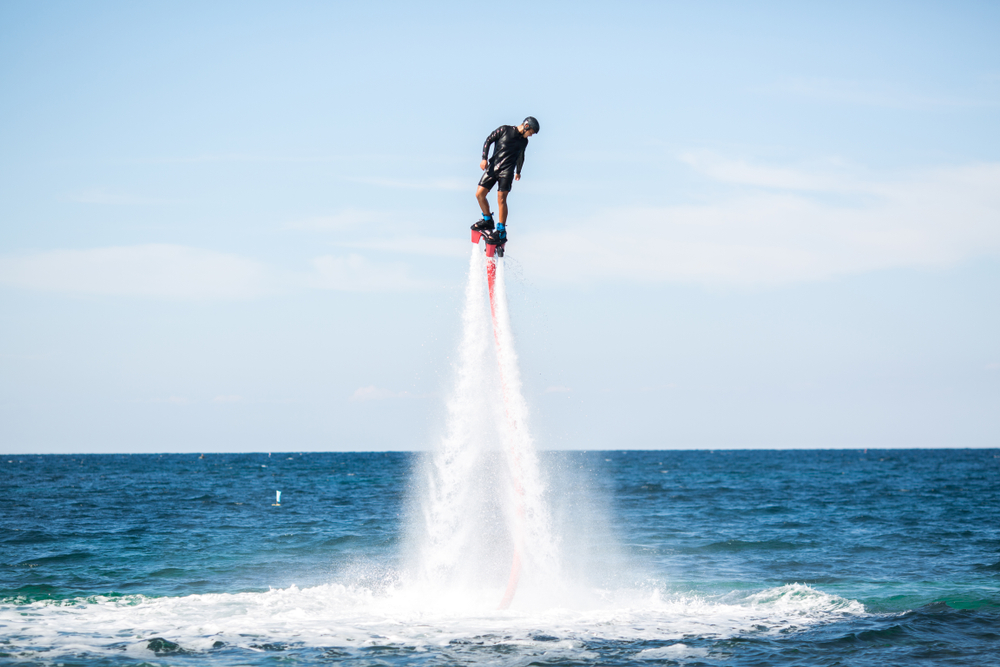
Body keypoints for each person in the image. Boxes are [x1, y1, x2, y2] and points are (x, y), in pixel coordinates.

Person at [471, 116, 540, 245]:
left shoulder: (523, 142)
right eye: (530, 133)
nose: (530, 136)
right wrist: (484, 158)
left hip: (507, 172)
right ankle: (487, 220)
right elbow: (488, 140)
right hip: (493, 167)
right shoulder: (504, 130)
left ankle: (501, 230)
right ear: (526, 126)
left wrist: (518, 171)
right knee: (479, 194)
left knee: (501, 199)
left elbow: (521, 157)